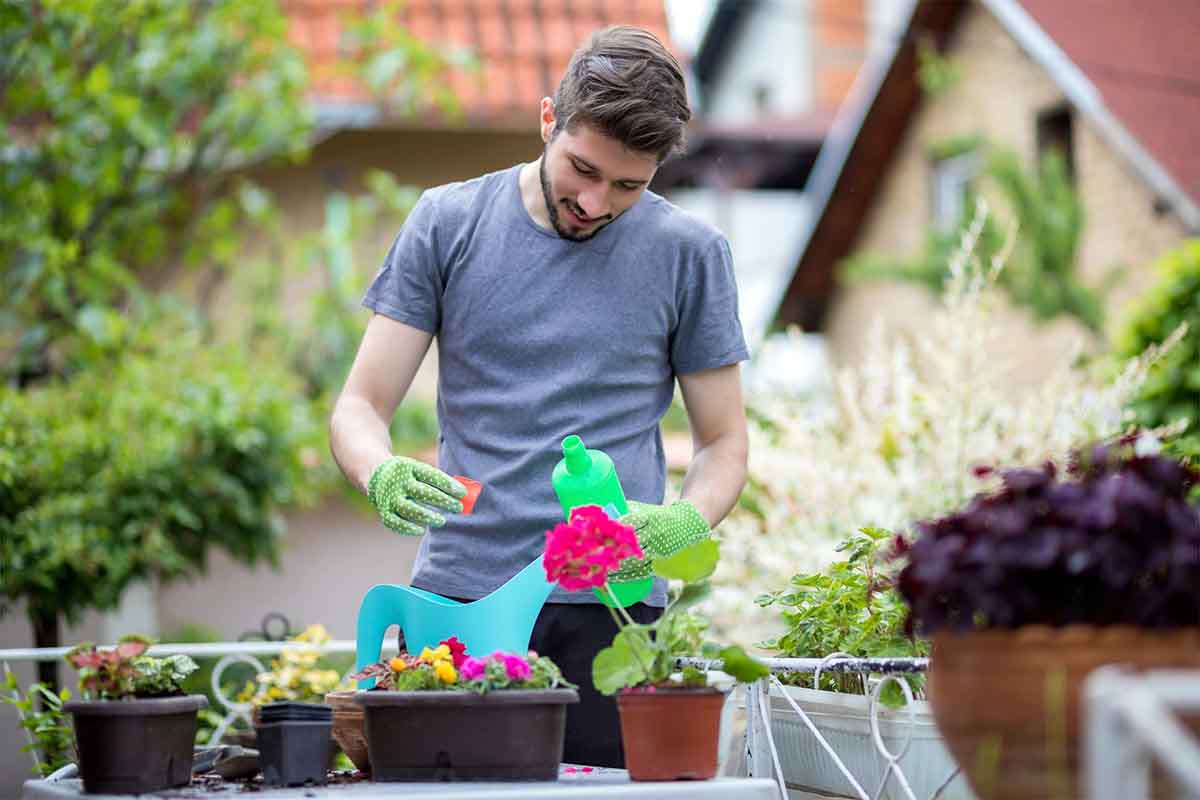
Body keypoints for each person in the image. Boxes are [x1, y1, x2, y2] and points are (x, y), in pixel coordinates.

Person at [329, 24, 749, 768]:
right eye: (582, 169)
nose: (595, 202)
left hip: (614, 614)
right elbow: (360, 407)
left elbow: (723, 441)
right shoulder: (447, 223)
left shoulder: (690, 256)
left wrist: (685, 519)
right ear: (548, 118)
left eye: (628, 185)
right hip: (462, 601)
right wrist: (378, 469)